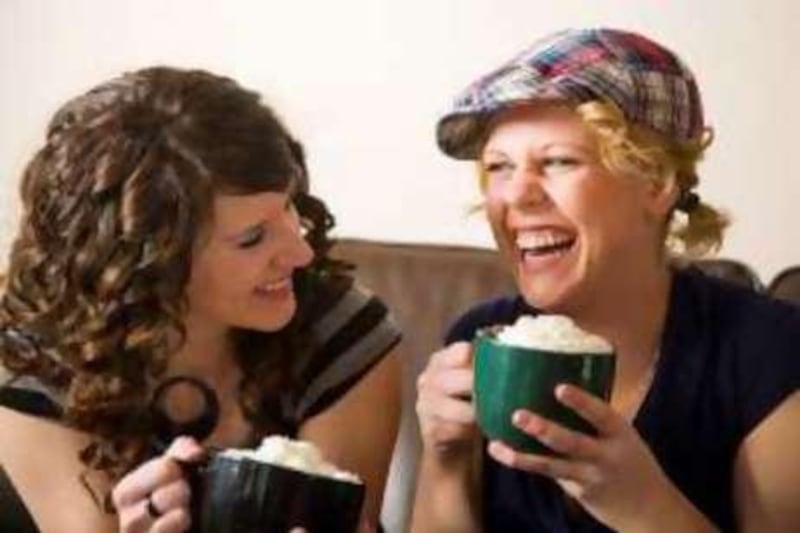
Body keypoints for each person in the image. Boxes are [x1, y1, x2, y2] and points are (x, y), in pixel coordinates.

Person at [412, 28, 799, 532]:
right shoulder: (479, 338)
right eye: (499, 167)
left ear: (656, 182)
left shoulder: (767, 354)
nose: (518, 195)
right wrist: (445, 461)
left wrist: (638, 503)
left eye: (557, 161)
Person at [0, 67, 401, 532]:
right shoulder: (29, 356)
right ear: (149, 263)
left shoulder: (342, 332)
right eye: (252, 239)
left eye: (289, 206)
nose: (301, 252)